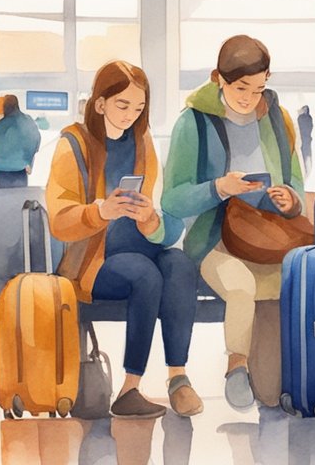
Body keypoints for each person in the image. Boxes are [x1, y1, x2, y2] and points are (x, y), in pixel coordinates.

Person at [45, 60, 201, 419]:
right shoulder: (73, 145)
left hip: (141, 246)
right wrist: (100, 211)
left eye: (139, 107)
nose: (132, 115)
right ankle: (131, 388)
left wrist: (150, 220)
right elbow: (59, 221)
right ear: (99, 103)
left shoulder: (143, 143)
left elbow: (169, 225)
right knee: (143, 273)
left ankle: (178, 378)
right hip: (92, 261)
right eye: (123, 105)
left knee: (178, 264)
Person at [163, 36, 306, 411]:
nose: (250, 98)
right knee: (242, 286)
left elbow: (296, 183)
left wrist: (289, 199)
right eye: (241, 88)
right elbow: (172, 199)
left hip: (266, 236)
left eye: (259, 88)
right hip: (212, 239)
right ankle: (236, 366)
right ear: (218, 79)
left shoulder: (278, 118)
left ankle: (283, 379)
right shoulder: (193, 123)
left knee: (275, 392)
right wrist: (217, 188)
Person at [0, 94, 42, 189]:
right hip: (21, 174)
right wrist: (28, 161)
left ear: (5, 107)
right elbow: (35, 141)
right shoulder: (28, 121)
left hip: (1, 174)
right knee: (18, 201)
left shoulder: (0, 125)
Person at [296, 104, 314, 174]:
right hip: (307, 139)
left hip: (303, 139)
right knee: (308, 155)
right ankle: (308, 170)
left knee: (305, 155)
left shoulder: (301, 118)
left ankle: (307, 171)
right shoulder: (309, 118)